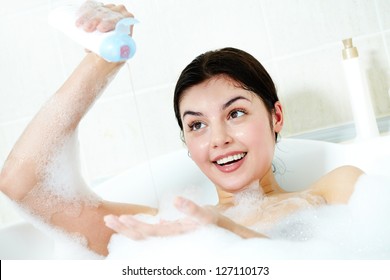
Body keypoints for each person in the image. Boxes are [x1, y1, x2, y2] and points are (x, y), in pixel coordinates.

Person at [0, 0, 363, 257]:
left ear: (276, 117)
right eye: (197, 125)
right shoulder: (165, 229)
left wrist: (224, 231)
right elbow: (21, 183)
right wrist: (105, 59)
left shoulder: (336, 189)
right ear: (188, 144)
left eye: (235, 114)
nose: (218, 139)